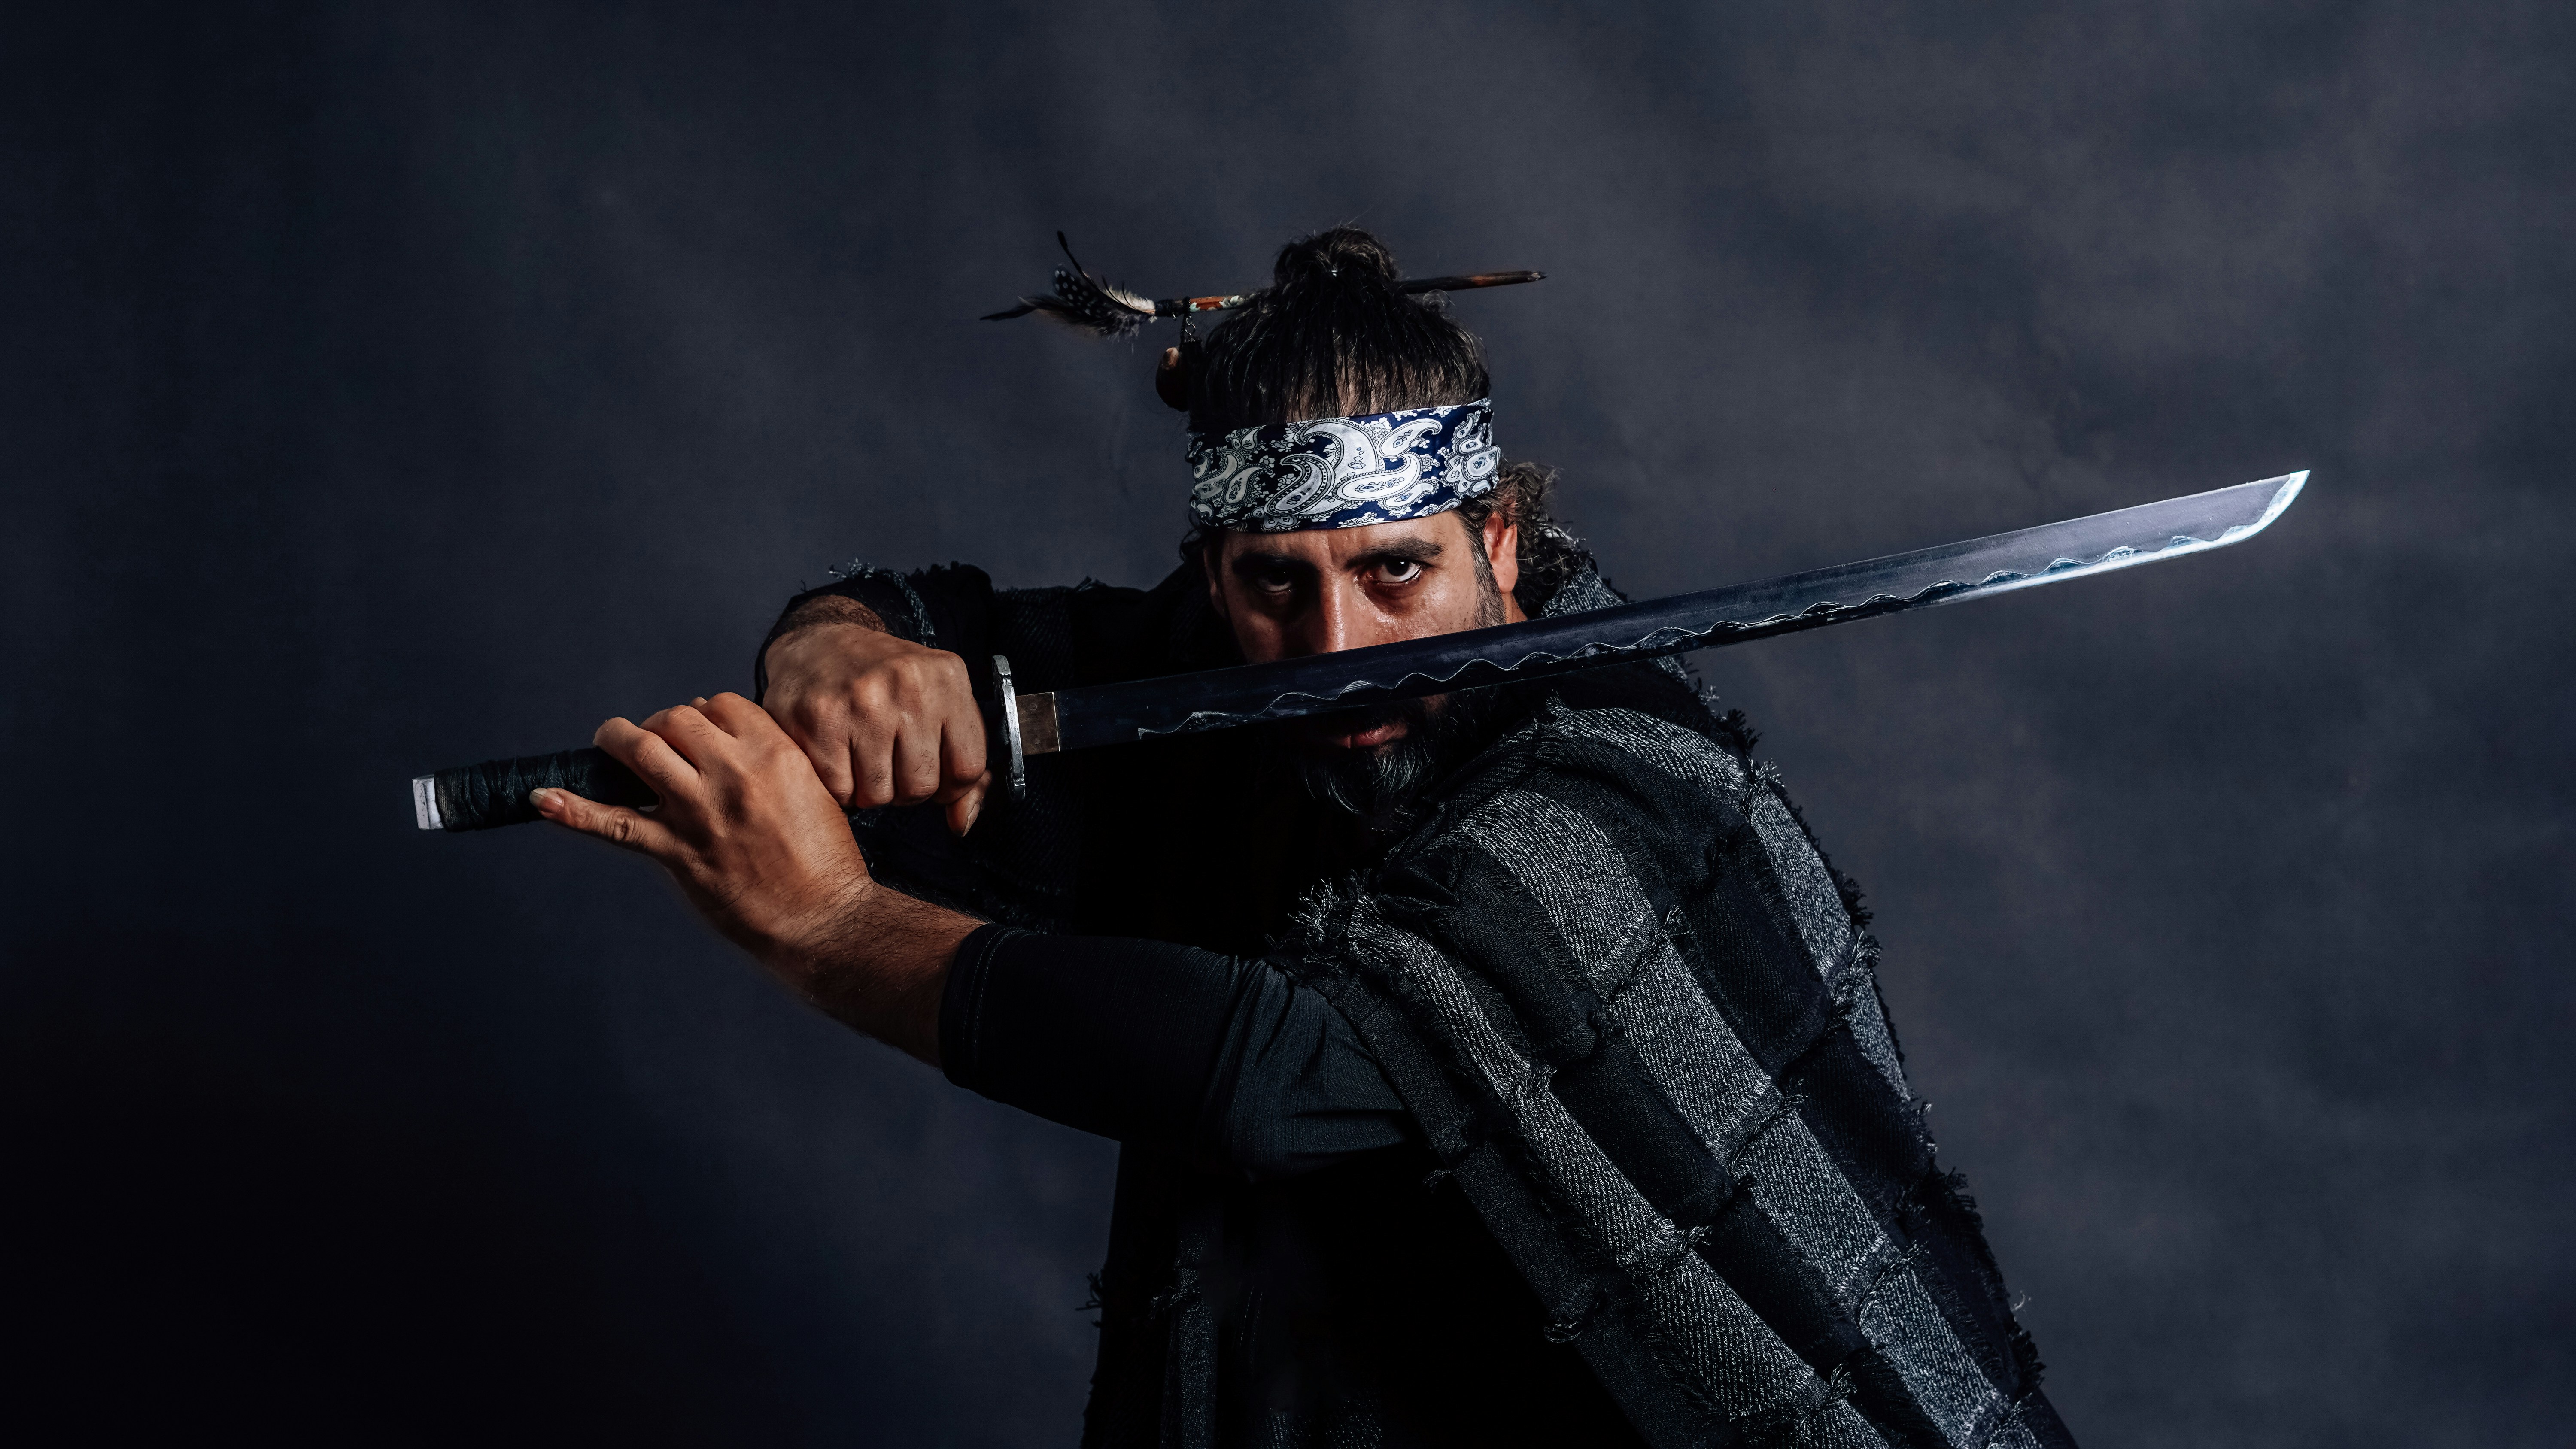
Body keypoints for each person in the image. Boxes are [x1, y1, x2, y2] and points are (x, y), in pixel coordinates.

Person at [532, 228, 2073, 1447]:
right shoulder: (1227, 680)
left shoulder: (1611, 785)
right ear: (1216, 570)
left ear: (1503, 546)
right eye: (1276, 585)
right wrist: (833, 649)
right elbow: (949, 620)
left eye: (1398, 576)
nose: (1336, 648)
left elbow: (1275, 1074)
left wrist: (829, 927)